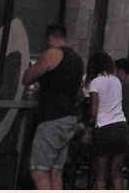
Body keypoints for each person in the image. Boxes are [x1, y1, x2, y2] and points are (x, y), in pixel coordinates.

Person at [23, 23, 84, 190]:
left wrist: (35, 71)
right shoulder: (78, 60)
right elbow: (77, 90)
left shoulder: (52, 54)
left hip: (52, 119)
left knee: (38, 170)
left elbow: (27, 78)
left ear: (50, 38)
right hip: (69, 120)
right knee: (55, 171)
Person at [86, 51, 128, 190]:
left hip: (104, 129)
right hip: (121, 128)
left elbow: (93, 111)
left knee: (100, 176)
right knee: (116, 175)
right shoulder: (117, 81)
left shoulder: (95, 82)